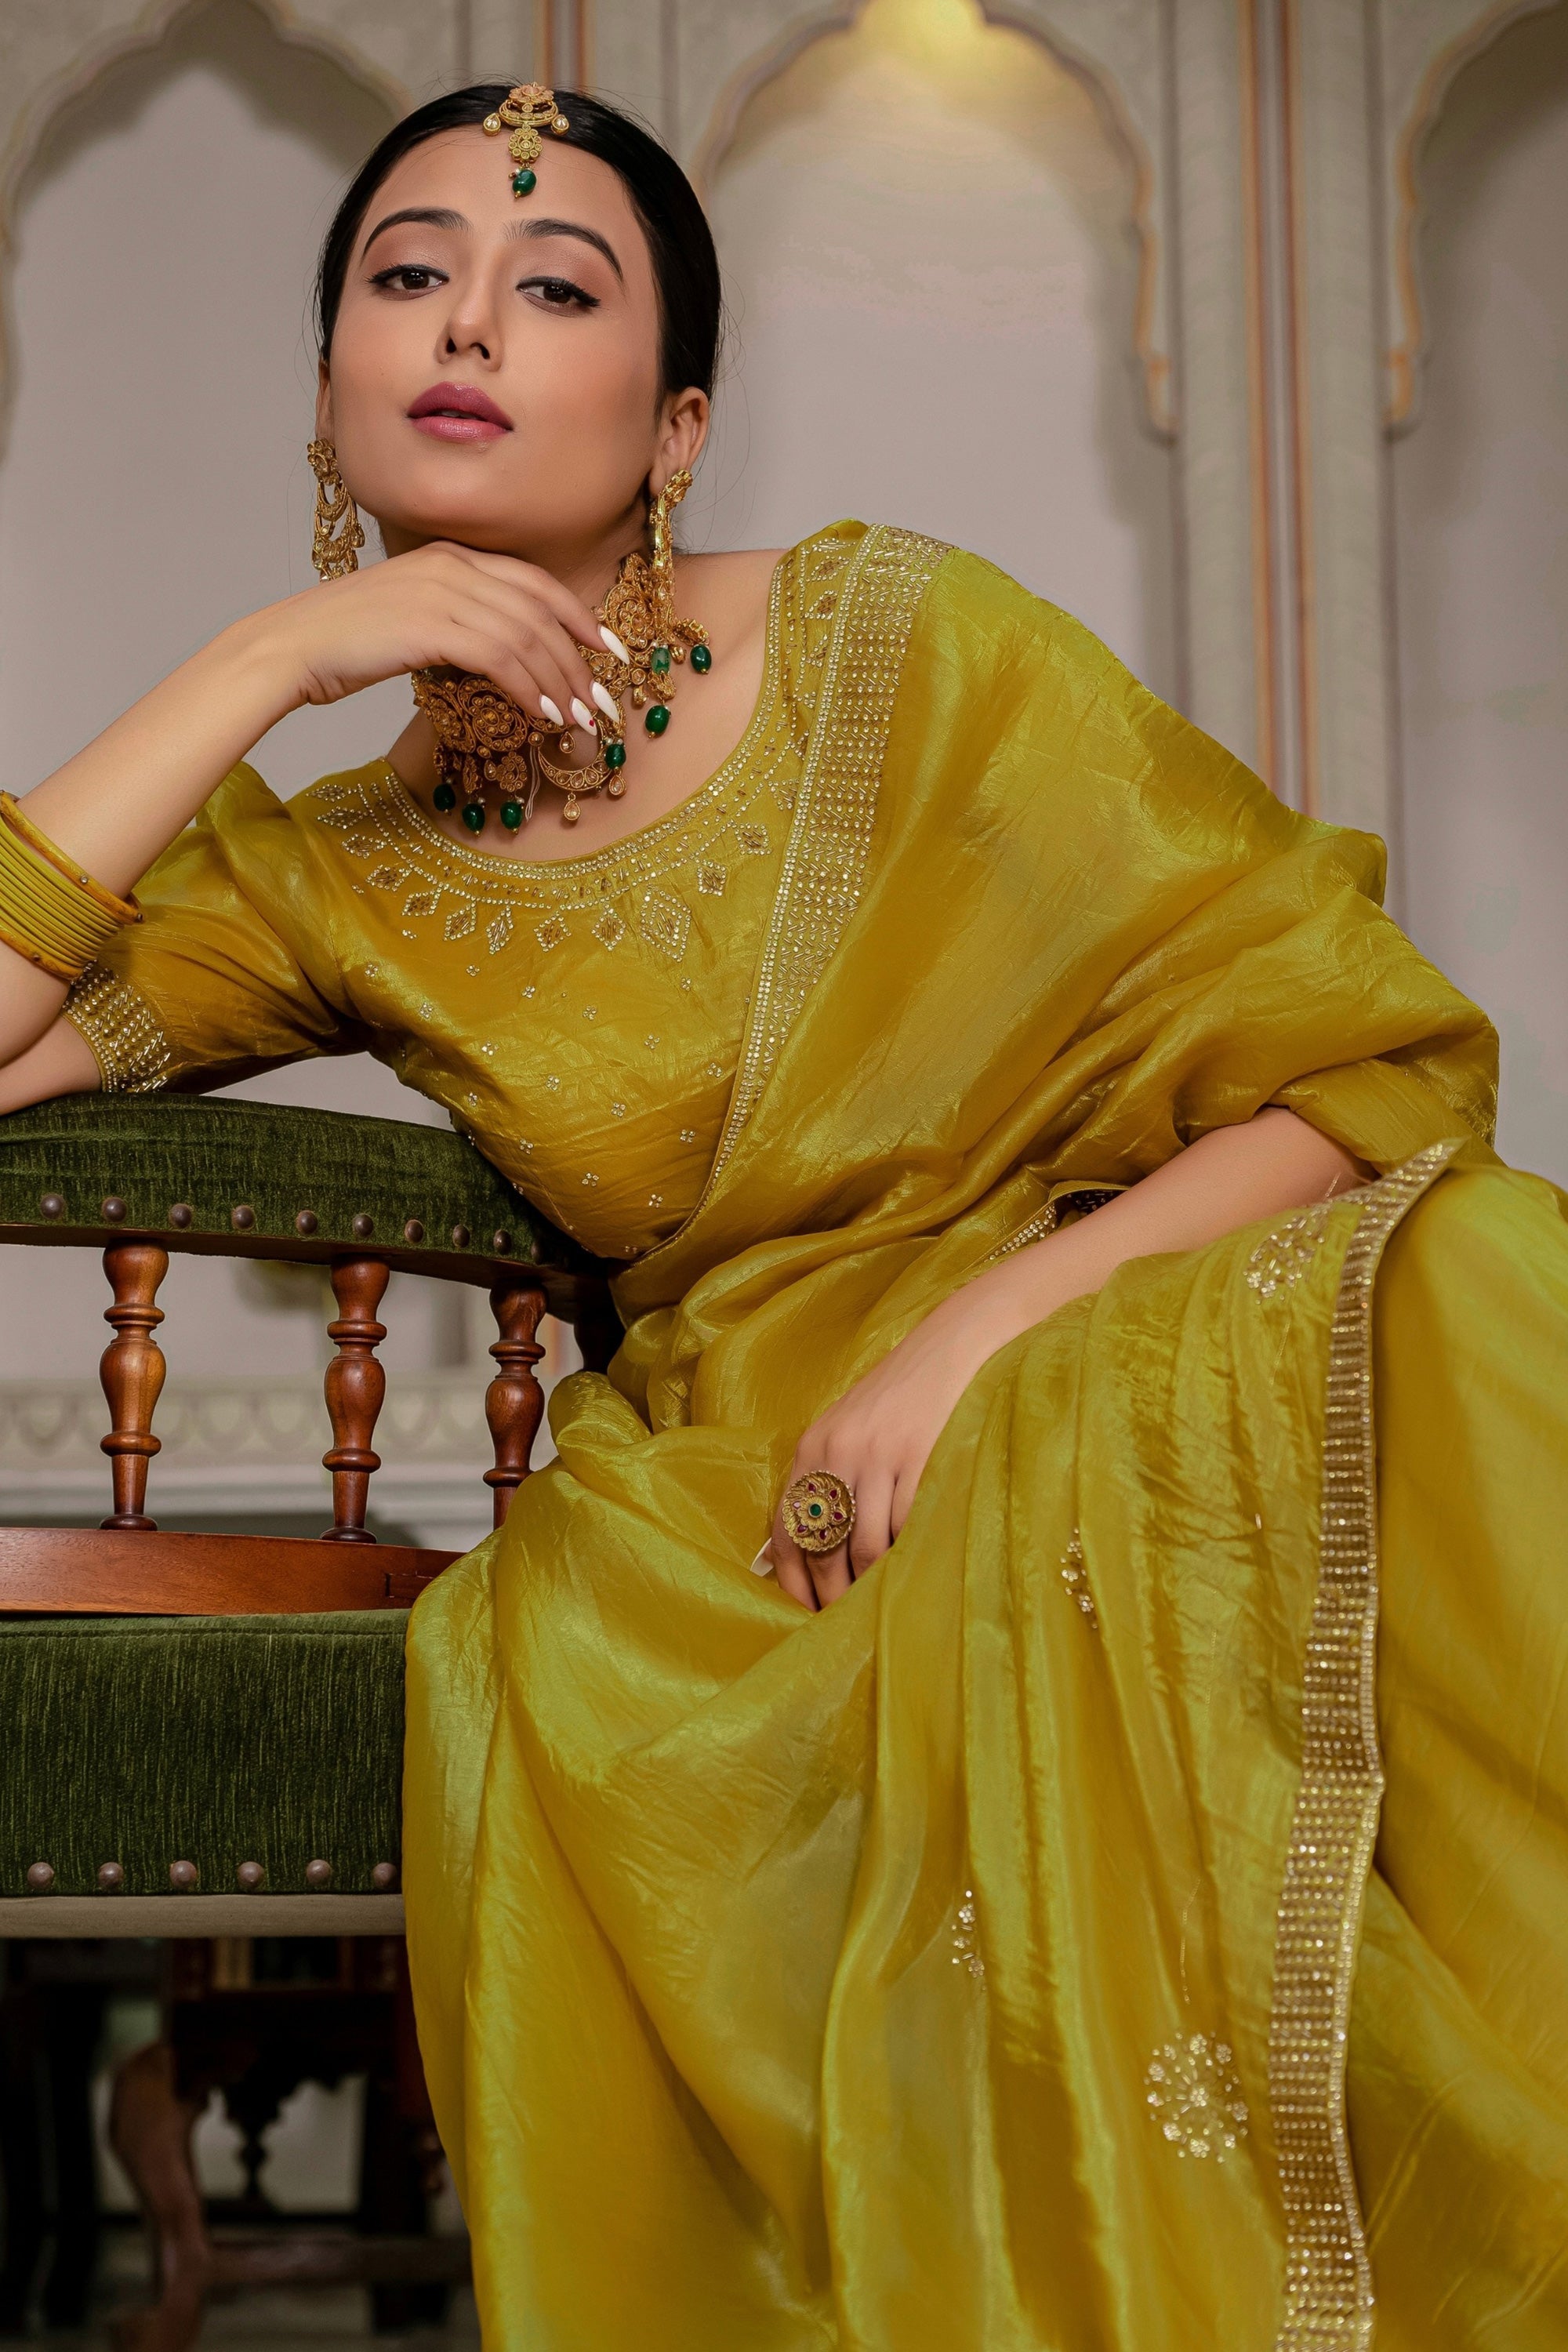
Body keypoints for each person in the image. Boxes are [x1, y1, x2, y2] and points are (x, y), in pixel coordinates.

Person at [0, 80, 1563, 2352]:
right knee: (596, 1672)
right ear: (331, 389)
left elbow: (1357, 1066)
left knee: (1479, 1277)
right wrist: (264, 662)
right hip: (738, 1488)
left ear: (680, 428)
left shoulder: (904, 643)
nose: (469, 323)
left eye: (558, 288)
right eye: (408, 275)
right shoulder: (331, 871)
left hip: (1095, 1327)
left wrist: (971, 1351)